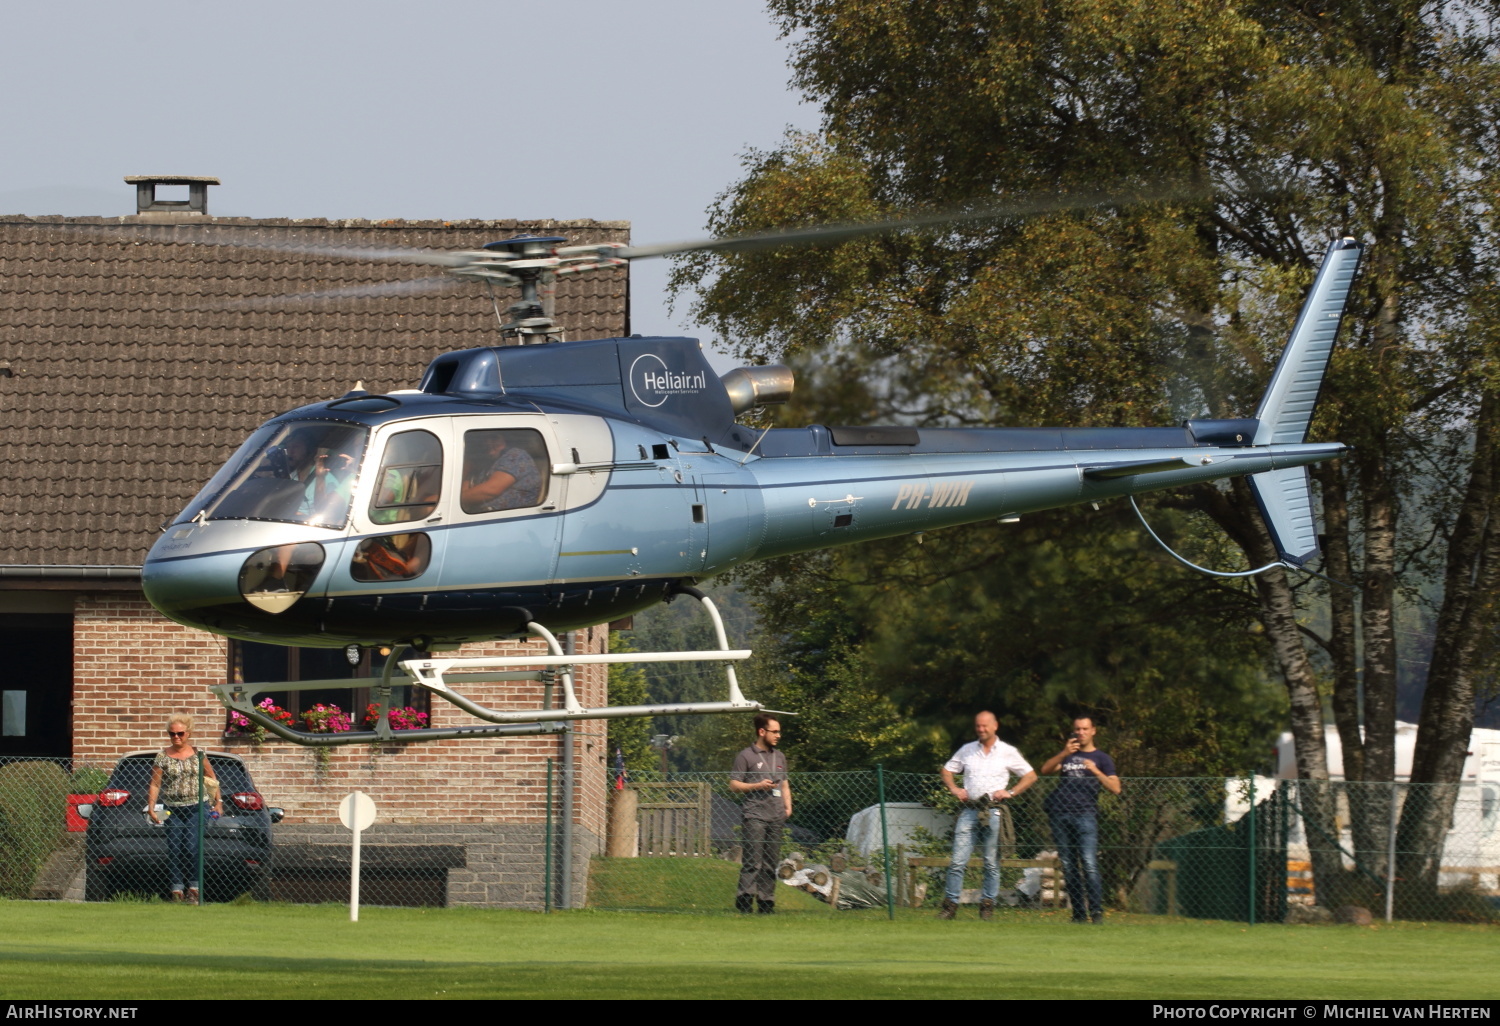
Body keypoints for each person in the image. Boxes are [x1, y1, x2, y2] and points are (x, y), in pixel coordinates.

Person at [938, 710, 1036, 921]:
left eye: (985, 726)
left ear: (995, 726)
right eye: (978, 726)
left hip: (993, 810)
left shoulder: (1007, 751)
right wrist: (955, 789)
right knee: (957, 861)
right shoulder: (967, 750)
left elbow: (1030, 775)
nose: (981, 730)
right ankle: (950, 906)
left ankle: (987, 906)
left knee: (991, 862)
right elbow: (947, 771)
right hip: (969, 810)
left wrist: (1010, 792)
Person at [1041, 715, 1120, 924]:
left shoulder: (1102, 758)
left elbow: (1115, 788)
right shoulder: (1068, 756)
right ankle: (1078, 914)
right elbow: (1045, 770)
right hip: (1061, 814)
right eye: (1077, 729)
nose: (1081, 733)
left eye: (1085, 729)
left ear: (1093, 731)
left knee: (1089, 862)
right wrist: (1064, 753)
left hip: (1085, 815)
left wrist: (1094, 770)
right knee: (1068, 865)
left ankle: (1096, 912)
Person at [145, 713, 224, 904]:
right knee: (174, 848)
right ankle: (176, 890)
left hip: (197, 807)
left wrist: (218, 802)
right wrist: (152, 807)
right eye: (172, 734)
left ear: (188, 733)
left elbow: (211, 779)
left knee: (191, 847)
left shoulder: (199, 755)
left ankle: (194, 888)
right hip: (172, 809)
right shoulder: (162, 757)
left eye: (180, 733)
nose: (176, 737)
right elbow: (155, 784)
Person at [729, 714, 792, 914]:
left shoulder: (779, 756)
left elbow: (785, 784)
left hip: (776, 815)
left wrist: (788, 807)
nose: (778, 735)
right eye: (774, 731)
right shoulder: (746, 755)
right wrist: (757, 785)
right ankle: (745, 900)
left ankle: (766, 902)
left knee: (770, 862)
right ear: (761, 732)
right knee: (752, 861)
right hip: (755, 814)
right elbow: (734, 785)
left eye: (779, 731)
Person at [461, 431, 541, 513]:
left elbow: (490, 491)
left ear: (505, 439)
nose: (488, 442)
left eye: (494, 437)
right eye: (484, 439)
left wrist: (454, 500)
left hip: (509, 519)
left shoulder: (516, 456)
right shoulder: (487, 462)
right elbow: (466, 486)